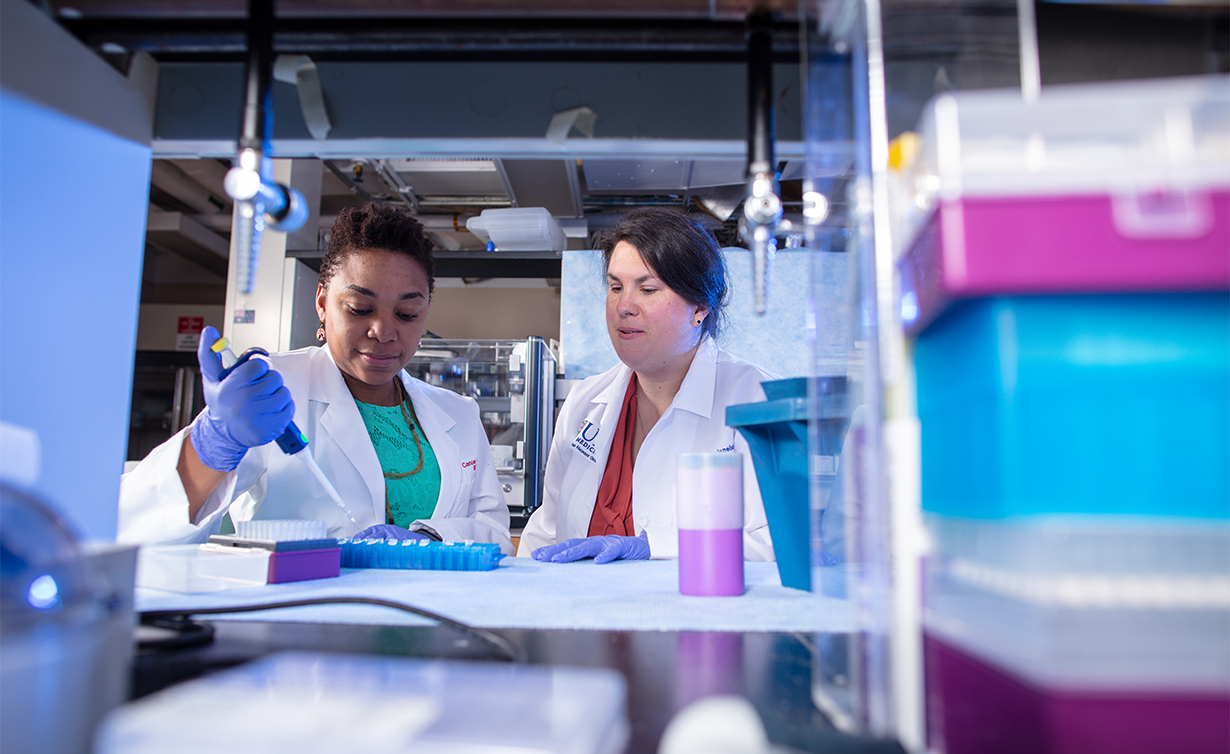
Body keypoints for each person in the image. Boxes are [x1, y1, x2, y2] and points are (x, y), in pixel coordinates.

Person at [119, 202, 512, 554]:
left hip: (436, 621)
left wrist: (431, 540)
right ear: (323, 303)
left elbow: (494, 530)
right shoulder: (274, 390)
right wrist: (214, 442)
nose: (383, 331)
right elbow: (139, 533)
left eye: (407, 314)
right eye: (360, 308)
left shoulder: (457, 413)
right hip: (301, 622)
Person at [518, 206, 778, 564]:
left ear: (700, 305)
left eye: (648, 289)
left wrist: (655, 547)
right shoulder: (584, 402)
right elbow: (544, 537)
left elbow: (781, 546)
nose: (624, 306)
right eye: (615, 287)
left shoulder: (759, 400)